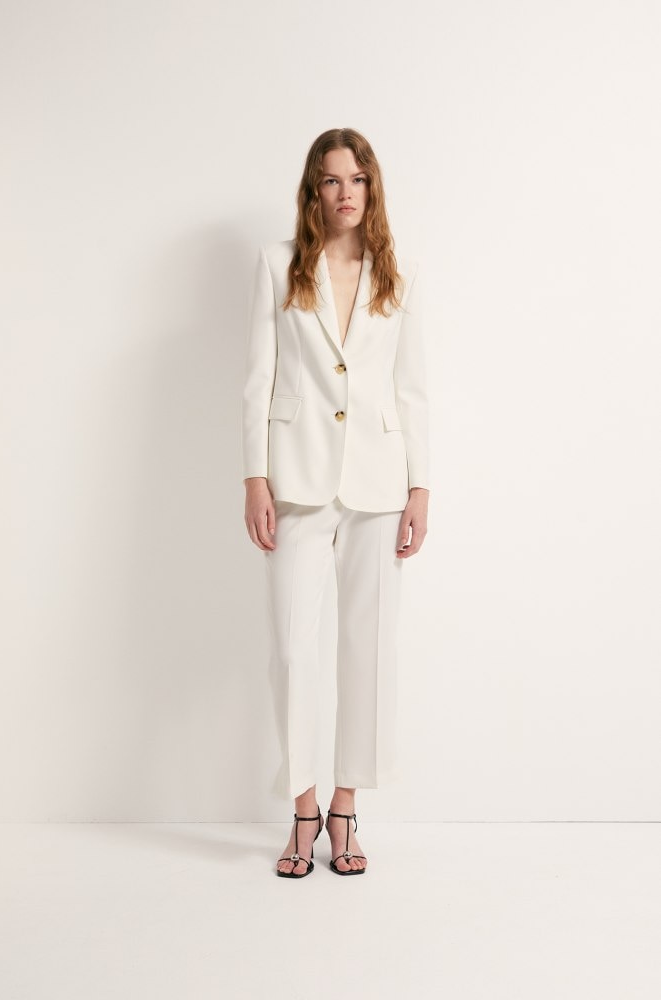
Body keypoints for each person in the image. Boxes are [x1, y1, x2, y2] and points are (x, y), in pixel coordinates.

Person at [241, 127, 430, 878]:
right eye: (330, 180)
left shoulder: (399, 275)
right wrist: (254, 476)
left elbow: (414, 390)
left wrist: (421, 486)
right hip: (295, 477)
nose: (345, 192)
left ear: (370, 187)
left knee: (367, 646)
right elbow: (258, 379)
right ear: (313, 191)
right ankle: (303, 809)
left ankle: (345, 807)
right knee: (293, 647)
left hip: (380, 481)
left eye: (356, 179)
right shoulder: (278, 265)